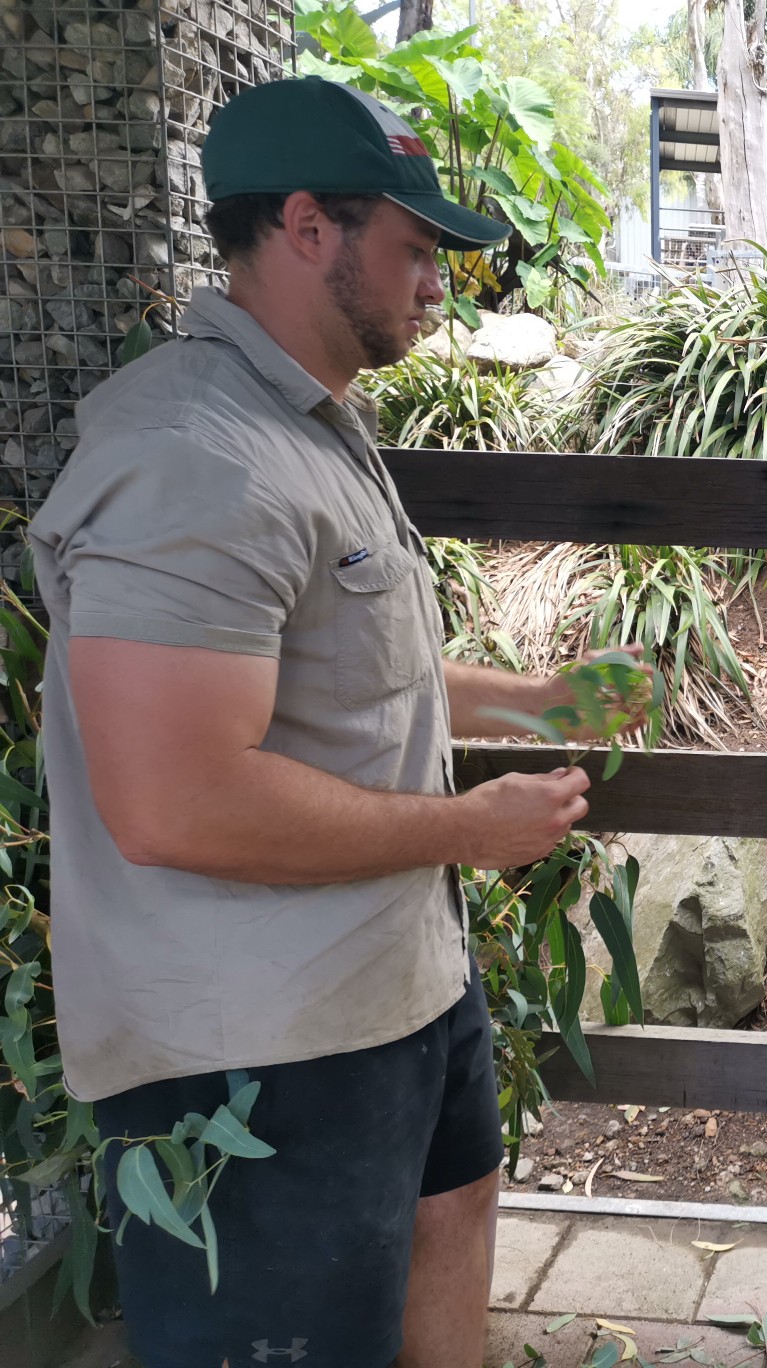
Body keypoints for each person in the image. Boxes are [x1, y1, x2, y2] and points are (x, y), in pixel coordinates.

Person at [27, 76, 643, 1368]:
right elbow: (174, 800)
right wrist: (467, 831)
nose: (439, 282)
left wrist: (532, 699)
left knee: (453, 1213)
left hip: (392, 982)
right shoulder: (190, 456)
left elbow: (346, 675)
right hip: (261, 1048)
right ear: (308, 227)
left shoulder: (304, 426)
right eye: (415, 248)